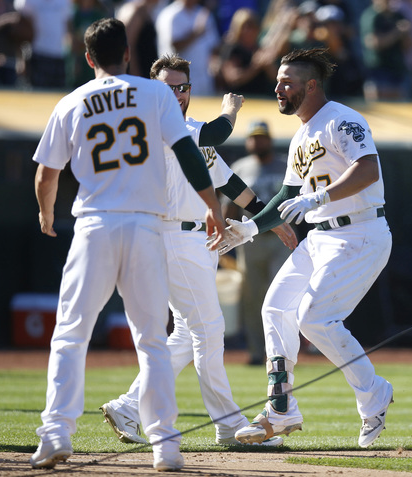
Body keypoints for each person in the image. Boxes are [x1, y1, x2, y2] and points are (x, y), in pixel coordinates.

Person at [30, 18, 225, 472]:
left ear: (88, 57)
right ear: (128, 54)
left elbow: (46, 174)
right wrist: (212, 205)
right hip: (145, 226)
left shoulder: (72, 100)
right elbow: (188, 152)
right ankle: (165, 445)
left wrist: (45, 213)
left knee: (71, 333)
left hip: (94, 224)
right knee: (152, 340)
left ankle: (56, 432)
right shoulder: (156, 94)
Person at [99, 54, 296, 447]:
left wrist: (268, 219)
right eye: (167, 87)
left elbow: (230, 183)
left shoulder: (190, 130)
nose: (176, 94)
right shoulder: (158, 125)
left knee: (187, 335)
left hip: (193, 241)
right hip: (174, 237)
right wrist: (230, 108)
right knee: (210, 330)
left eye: (183, 87)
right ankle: (229, 425)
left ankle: (128, 406)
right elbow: (218, 132)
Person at [210, 47, 394, 448]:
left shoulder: (341, 119)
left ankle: (373, 392)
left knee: (315, 318)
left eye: (286, 82)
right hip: (321, 237)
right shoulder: (301, 134)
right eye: (278, 81)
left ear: (311, 85)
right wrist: (250, 228)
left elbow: (368, 169)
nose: (278, 88)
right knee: (275, 308)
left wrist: (319, 197)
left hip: (360, 232)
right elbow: (286, 196)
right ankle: (281, 408)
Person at [224, 120, 292, 365]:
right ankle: (255, 351)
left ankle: (283, 351)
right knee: (252, 297)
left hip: (282, 238)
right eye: (254, 137)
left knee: (282, 293)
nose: (258, 141)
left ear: (270, 140)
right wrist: (225, 239)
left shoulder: (286, 165)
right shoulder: (241, 167)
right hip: (251, 240)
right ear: (247, 141)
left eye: (262, 137)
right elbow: (229, 206)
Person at [155, 0, 220, 96]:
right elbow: (175, 46)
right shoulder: (170, 15)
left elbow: (214, 46)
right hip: (176, 82)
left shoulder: (204, 13)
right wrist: (195, 33)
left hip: (204, 79)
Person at [359, 0, 412, 101]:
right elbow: (374, 43)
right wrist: (397, 33)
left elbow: (409, 45)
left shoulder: (398, 16)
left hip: (398, 70)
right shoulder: (372, 16)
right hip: (379, 71)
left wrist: (406, 33)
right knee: (380, 105)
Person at [14, 0, 72, 89]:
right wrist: (21, 58)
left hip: (59, 56)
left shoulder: (65, 2)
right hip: (37, 56)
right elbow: (21, 32)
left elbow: (69, 28)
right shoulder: (27, 2)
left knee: (59, 94)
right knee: (38, 93)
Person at [116, 0, 159, 78]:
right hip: (140, 71)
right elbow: (128, 44)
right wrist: (135, 74)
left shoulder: (145, 10)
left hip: (146, 69)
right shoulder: (135, 11)